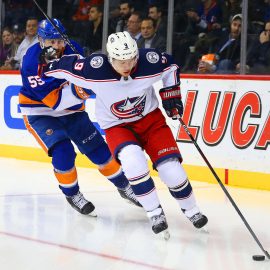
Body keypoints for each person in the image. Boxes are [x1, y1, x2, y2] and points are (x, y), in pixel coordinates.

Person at [41, 31, 208, 238]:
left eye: (131, 59)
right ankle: (154, 212)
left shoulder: (149, 61)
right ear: (110, 58)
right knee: (132, 163)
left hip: (151, 121)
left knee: (172, 170)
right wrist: (46, 60)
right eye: (121, 61)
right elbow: (59, 67)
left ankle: (192, 210)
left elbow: (171, 66)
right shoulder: (93, 70)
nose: (127, 66)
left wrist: (171, 95)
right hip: (117, 126)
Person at [19, 19, 141, 217]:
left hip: (73, 111)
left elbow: (84, 75)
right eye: (52, 42)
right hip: (40, 111)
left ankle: (124, 186)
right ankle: (72, 194)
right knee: (63, 151)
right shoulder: (31, 61)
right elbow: (55, 102)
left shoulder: (73, 48)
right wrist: (82, 90)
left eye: (60, 40)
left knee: (99, 150)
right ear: (41, 40)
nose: (58, 46)